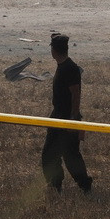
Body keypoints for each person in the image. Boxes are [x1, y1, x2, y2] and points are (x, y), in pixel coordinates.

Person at [41, 33, 93, 195]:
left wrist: (74, 119)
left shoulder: (69, 68)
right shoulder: (63, 66)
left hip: (66, 118)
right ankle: (56, 185)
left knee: (68, 156)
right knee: (53, 155)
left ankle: (83, 185)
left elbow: (76, 94)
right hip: (58, 116)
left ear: (54, 50)